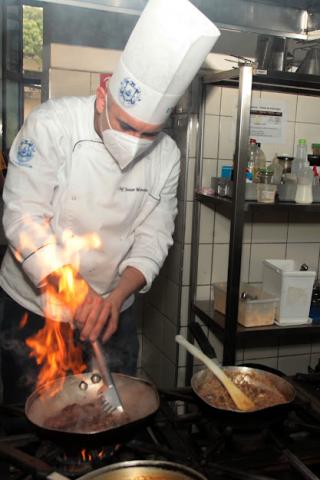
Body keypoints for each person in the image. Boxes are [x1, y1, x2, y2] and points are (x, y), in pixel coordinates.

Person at [0, 0, 220, 404]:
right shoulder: (52, 124)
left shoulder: (167, 156)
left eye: (149, 133)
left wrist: (115, 299)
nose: (134, 143)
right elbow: (23, 217)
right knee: (33, 415)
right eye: (125, 125)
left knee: (112, 413)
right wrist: (81, 295)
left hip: (113, 308)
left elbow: (154, 238)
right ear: (103, 93)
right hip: (35, 306)